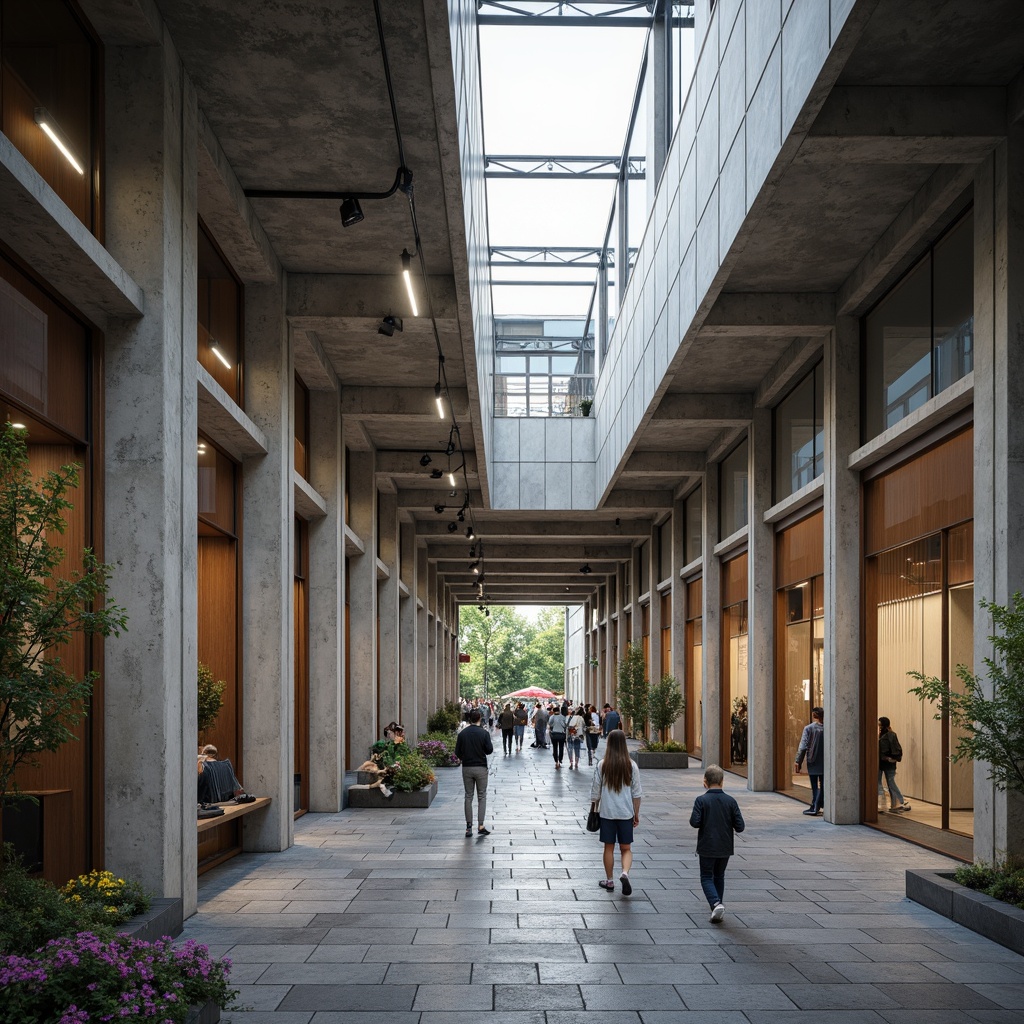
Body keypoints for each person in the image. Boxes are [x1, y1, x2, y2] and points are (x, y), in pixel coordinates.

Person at [689, 763, 745, 923]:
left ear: (705, 782)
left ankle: (715, 903)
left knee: (706, 876)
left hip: (707, 846)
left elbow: (694, 822)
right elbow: (740, 826)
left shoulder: (701, 800)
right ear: (722, 782)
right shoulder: (731, 801)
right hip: (725, 847)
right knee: (719, 875)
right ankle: (717, 906)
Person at [590, 729, 642, 895]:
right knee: (626, 848)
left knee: (609, 848)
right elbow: (637, 793)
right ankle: (625, 873)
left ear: (609, 744)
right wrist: (636, 813)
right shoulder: (631, 765)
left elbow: (595, 793)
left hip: (607, 813)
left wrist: (593, 808)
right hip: (626, 812)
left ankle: (610, 880)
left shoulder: (602, 764)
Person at [454, 708, 493, 836]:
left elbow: (457, 752)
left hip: (467, 767)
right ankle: (481, 825)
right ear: (480, 719)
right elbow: (489, 750)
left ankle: (468, 827)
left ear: (469, 719)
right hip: (481, 767)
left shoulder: (462, 733)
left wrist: (464, 757)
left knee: (468, 796)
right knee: (482, 796)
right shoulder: (484, 733)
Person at [794, 707, 824, 816]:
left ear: (813, 715)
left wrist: (798, 761)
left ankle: (814, 806)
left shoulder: (808, 728)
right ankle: (818, 804)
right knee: (823, 784)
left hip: (813, 759)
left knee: (815, 785)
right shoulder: (827, 728)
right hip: (825, 761)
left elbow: (803, 747)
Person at [878, 716, 911, 813]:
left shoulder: (890, 735)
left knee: (891, 783)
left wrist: (892, 758)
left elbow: (895, 748)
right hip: (881, 762)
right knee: (882, 783)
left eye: (880, 724)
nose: (879, 726)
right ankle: (890, 803)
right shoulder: (881, 735)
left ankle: (899, 802)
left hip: (888, 762)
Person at [566, 705, 586, 769]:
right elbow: (584, 727)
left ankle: (571, 763)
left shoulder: (569, 717)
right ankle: (576, 763)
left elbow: (567, 726)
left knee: (570, 749)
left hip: (570, 735)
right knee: (577, 749)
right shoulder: (581, 718)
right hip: (578, 736)